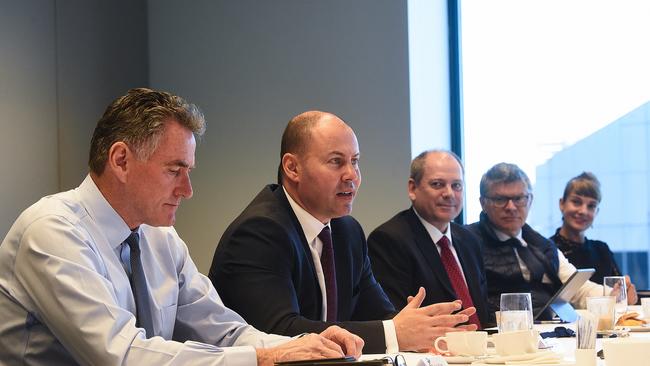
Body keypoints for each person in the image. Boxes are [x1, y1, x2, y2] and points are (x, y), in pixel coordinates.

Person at [0, 88, 363, 366]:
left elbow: (225, 332)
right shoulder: (51, 232)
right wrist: (264, 359)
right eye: (174, 171)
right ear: (121, 160)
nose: (187, 191)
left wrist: (303, 347)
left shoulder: (159, 236)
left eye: (188, 172)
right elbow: (120, 355)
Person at [209, 111, 477, 354]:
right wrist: (395, 333)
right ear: (292, 168)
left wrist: (418, 334)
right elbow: (280, 331)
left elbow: (380, 316)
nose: (352, 175)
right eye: (336, 162)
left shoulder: (347, 231)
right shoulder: (259, 232)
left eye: (355, 161)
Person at [466, 163, 637, 317]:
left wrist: (614, 294)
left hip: (551, 334)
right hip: (497, 338)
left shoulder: (541, 244)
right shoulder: (466, 241)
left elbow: (576, 288)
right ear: (483, 203)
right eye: (500, 199)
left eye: (519, 198)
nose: (511, 207)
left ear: (530, 200)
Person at [367, 150, 491, 328]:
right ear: (412, 188)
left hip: (482, 349)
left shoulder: (469, 240)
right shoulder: (389, 240)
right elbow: (395, 318)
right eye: (437, 184)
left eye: (457, 186)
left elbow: (482, 309)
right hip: (432, 350)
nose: (449, 193)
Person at [550, 172, 636, 289]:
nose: (583, 211)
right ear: (562, 204)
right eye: (576, 202)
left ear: (597, 212)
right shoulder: (547, 250)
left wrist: (628, 291)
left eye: (591, 206)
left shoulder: (602, 250)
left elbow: (620, 294)